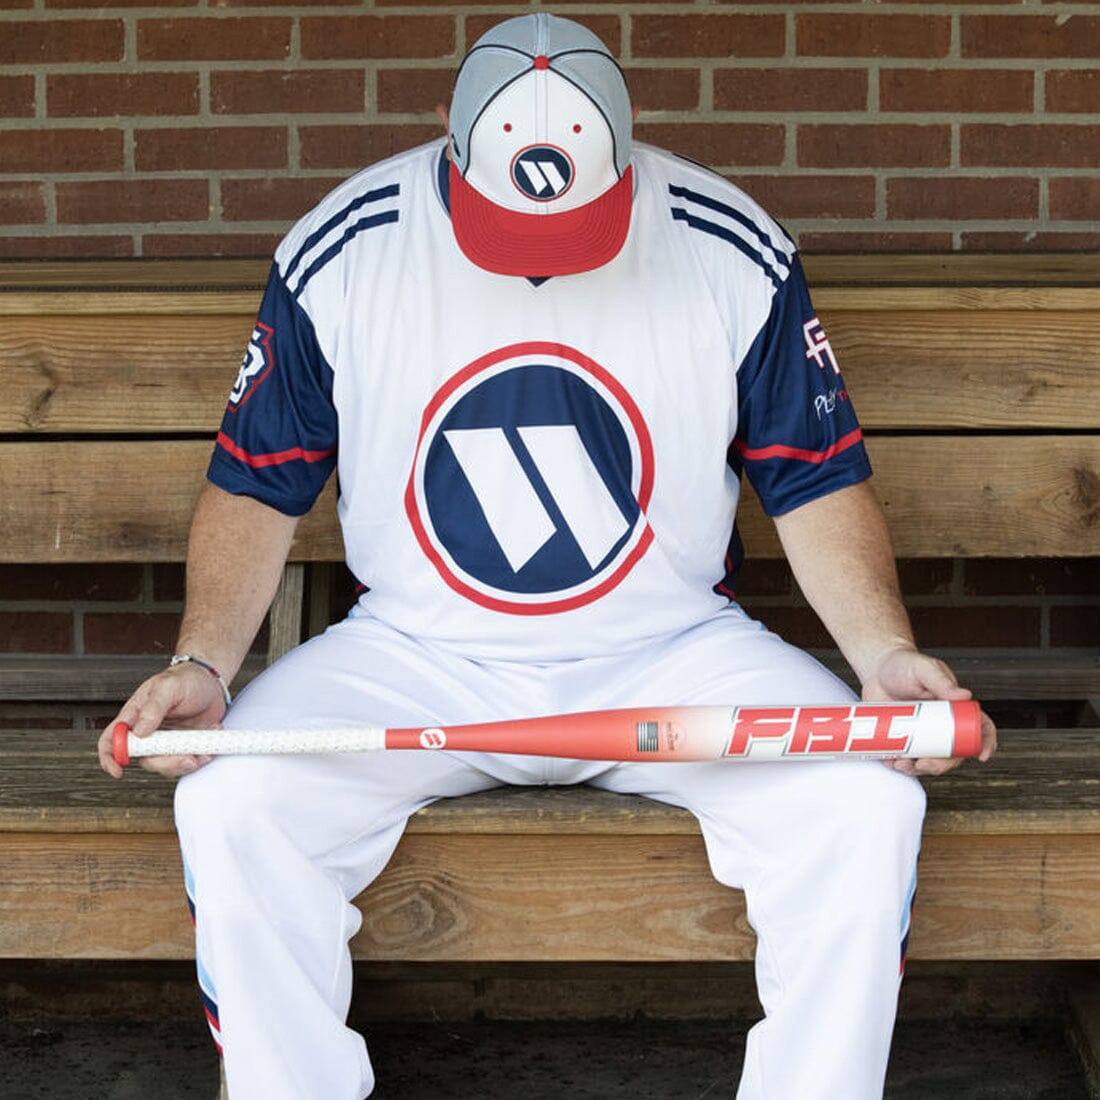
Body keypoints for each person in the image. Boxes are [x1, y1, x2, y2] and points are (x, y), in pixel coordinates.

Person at [98, 13, 995, 1099]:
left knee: (865, 809)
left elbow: (808, 473)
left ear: (626, 147)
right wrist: (202, 664)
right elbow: (256, 480)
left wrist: (882, 653)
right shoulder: (345, 246)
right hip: (417, 651)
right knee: (233, 805)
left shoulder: (725, 241)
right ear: (446, 131)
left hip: (670, 651)